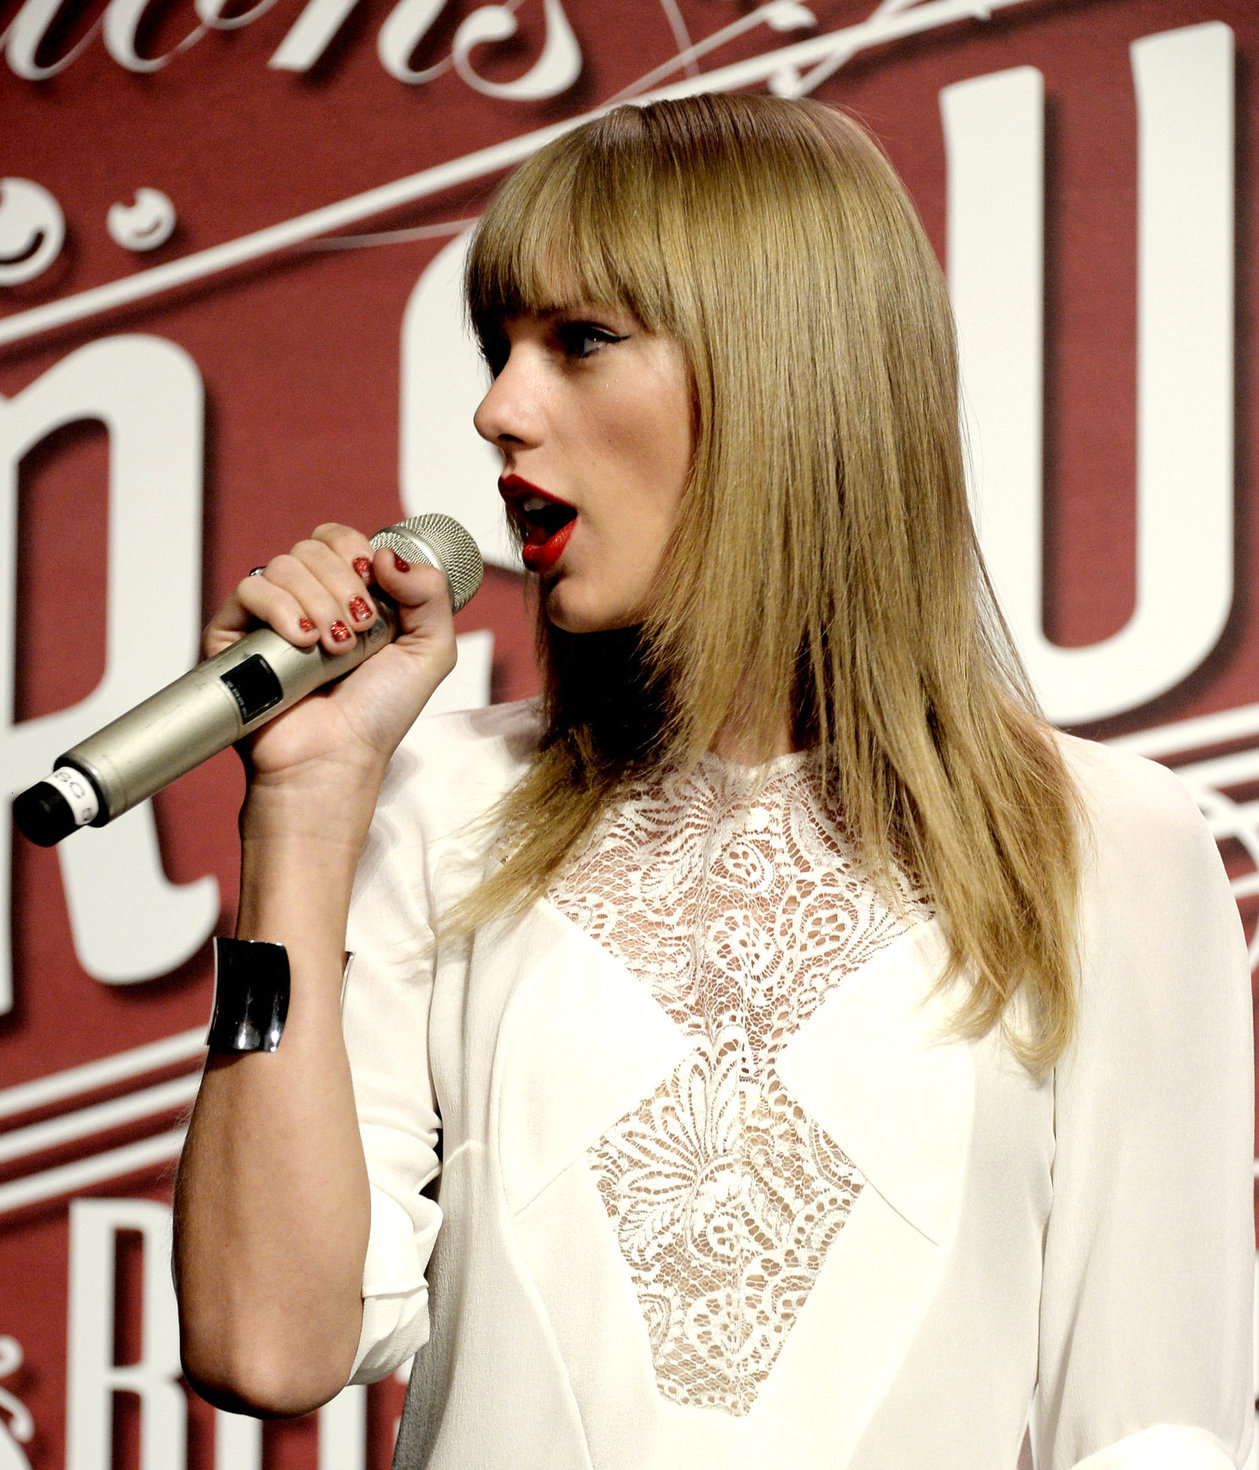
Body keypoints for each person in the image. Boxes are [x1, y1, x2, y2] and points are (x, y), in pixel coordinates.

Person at [173, 94, 1254, 1469]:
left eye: (580, 340)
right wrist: (302, 809)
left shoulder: (1103, 840)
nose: (497, 410)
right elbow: (266, 1343)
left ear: (783, 374)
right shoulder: (442, 793)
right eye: (500, 348)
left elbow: (1158, 1435)